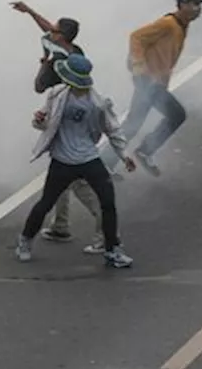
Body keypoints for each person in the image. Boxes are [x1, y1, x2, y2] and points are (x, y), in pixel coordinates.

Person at [16, 54, 136, 269]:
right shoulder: (56, 95)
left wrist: (124, 154)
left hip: (88, 157)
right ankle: (25, 240)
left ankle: (113, 250)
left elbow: (113, 129)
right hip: (62, 160)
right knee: (46, 203)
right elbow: (42, 124)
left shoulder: (98, 103)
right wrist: (38, 120)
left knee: (108, 202)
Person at [10, 1, 103, 253]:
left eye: (55, 29)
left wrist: (43, 62)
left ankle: (106, 233)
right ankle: (60, 225)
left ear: (61, 36)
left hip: (64, 120)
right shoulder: (76, 52)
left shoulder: (58, 62)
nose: (50, 30)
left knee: (78, 183)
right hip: (75, 121)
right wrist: (29, 11)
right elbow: (47, 26)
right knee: (60, 177)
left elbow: (39, 87)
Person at [109, 0, 202, 177]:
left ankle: (111, 160)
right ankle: (142, 151)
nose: (199, 8)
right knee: (175, 115)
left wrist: (164, 83)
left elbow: (165, 59)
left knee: (134, 123)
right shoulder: (168, 24)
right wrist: (139, 67)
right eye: (196, 4)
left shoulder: (182, 26)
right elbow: (136, 36)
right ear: (183, 4)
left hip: (153, 83)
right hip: (147, 81)